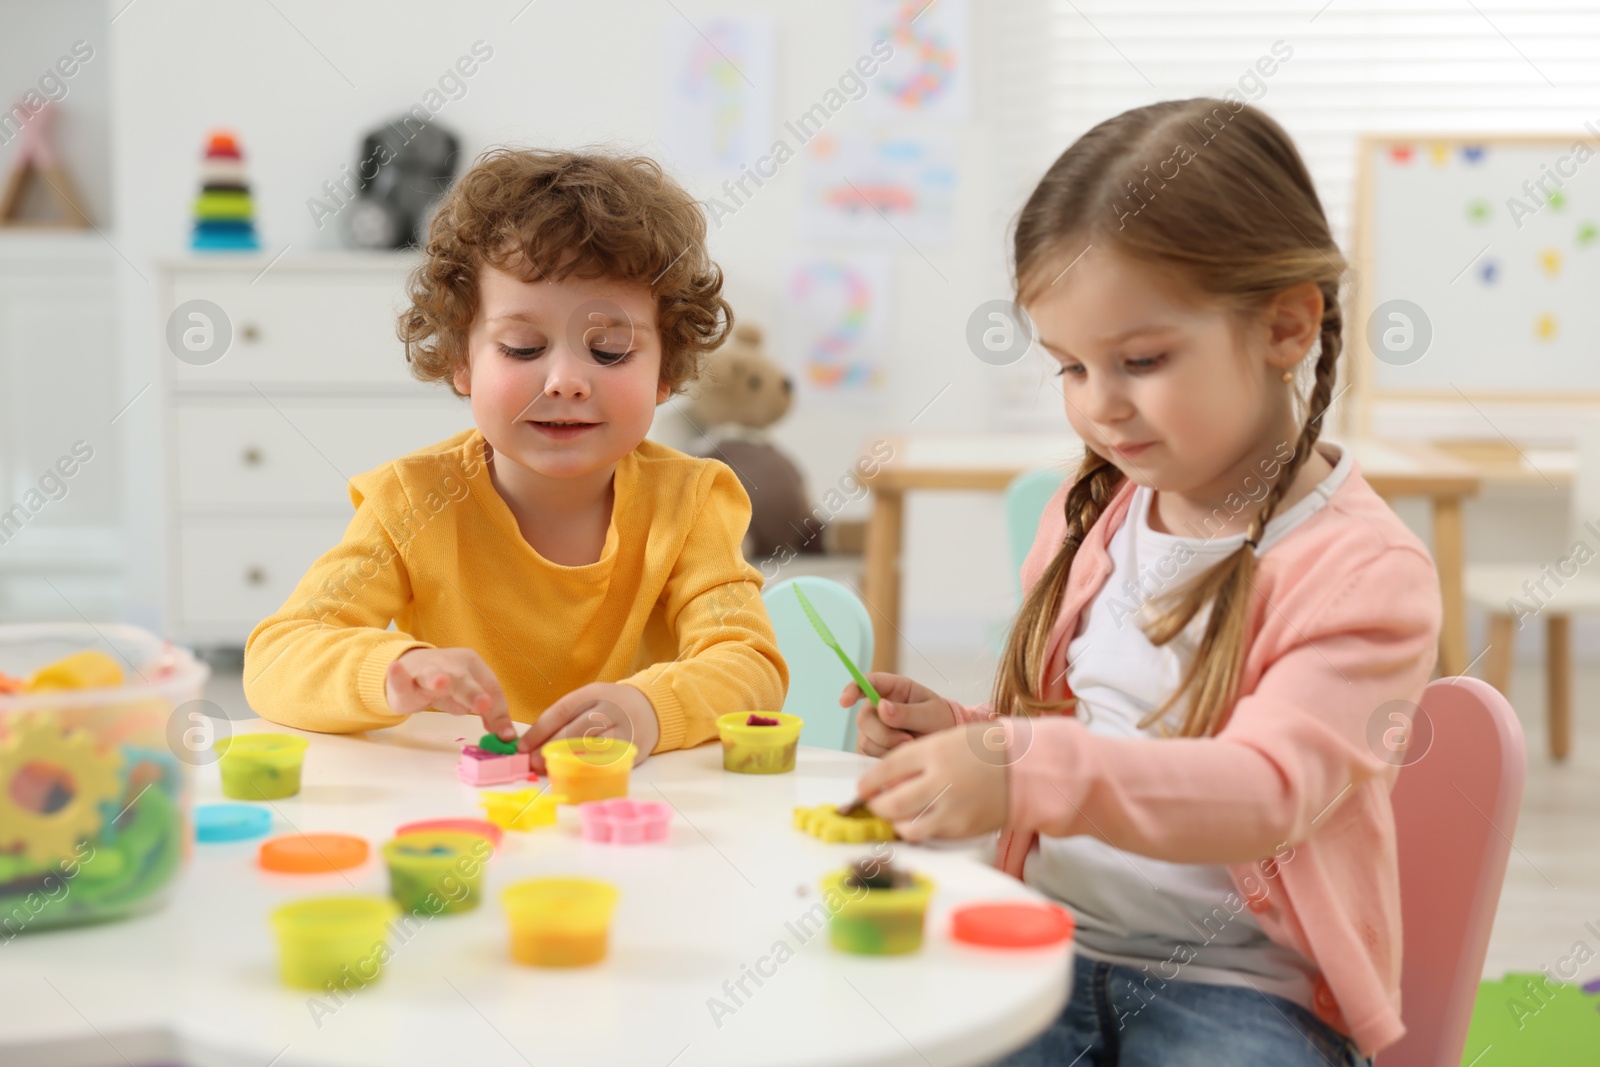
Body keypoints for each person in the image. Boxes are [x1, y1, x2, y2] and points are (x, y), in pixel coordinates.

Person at [843, 99, 1440, 1065]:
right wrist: (965, 735)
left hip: (1242, 990)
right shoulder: (1093, 521)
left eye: (1142, 360)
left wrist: (1025, 765)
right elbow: (1082, 734)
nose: (1099, 405)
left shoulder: (1364, 574)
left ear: (1286, 324)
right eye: (1071, 367)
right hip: (1043, 944)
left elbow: (1265, 791)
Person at [245, 148, 787, 769]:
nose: (564, 380)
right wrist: (396, 669)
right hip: (469, 815)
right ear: (461, 360)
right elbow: (277, 656)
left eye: (609, 350)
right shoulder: (411, 502)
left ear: (665, 370)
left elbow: (750, 666)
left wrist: (645, 712)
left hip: (634, 809)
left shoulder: (689, 504)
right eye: (523, 347)